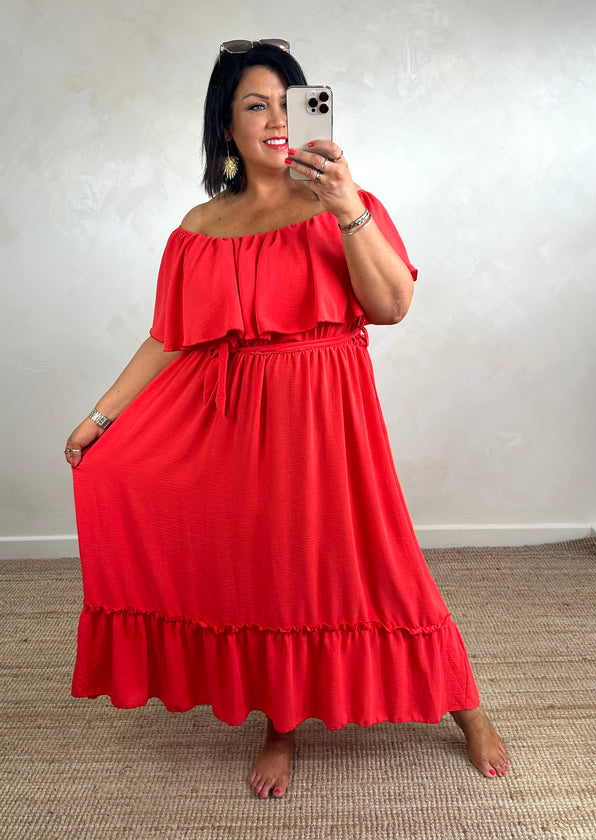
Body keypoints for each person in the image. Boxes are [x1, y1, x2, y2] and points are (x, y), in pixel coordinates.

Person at [64, 40, 508, 800]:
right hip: (237, 423)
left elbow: (392, 306)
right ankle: (281, 721)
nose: (275, 120)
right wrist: (101, 416)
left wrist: (347, 207)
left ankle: (466, 706)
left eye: (287, 103)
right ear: (225, 126)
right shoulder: (202, 225)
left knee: (381, 565)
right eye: (255, 105)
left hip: (330, 414)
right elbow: (170, 336)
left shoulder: (344, 203)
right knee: (270, 572)